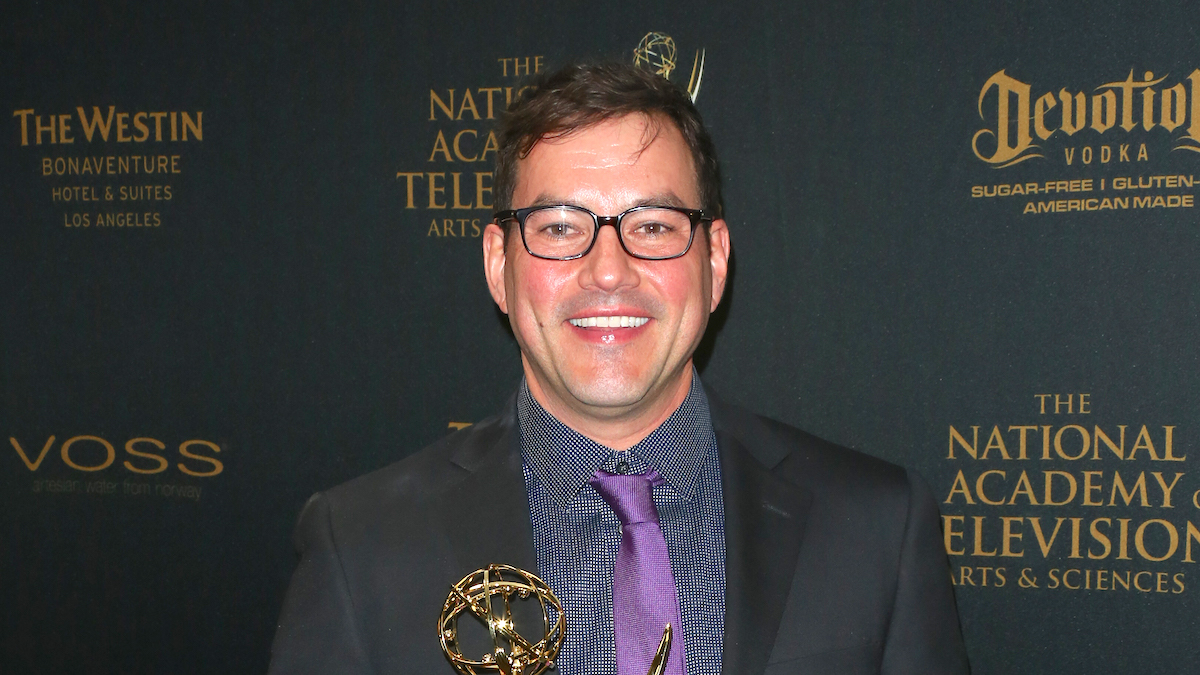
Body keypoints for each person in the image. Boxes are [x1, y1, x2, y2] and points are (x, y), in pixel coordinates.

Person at [268, 62, 969, 675]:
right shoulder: (360, 545)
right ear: (497, 264)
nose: (609, 269)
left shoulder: (878, 527)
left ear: (715, 261)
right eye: (560, 228)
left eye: (655, 225)